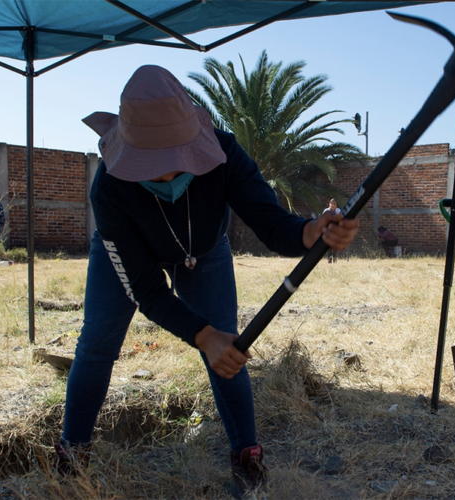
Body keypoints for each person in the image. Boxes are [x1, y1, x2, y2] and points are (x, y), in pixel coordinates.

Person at [56, 65, 359, 496]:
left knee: (228, 348)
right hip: (125, 255)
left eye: (174, 164)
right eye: (150, 167)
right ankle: (72, 455)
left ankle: (247, 457)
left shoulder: (224, 154)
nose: (164, 177)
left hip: (205, 250)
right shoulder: (108, 188)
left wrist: (312, 232)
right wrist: (201, 335)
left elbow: (271, 223)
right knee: (98, 341)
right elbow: (146, 290)